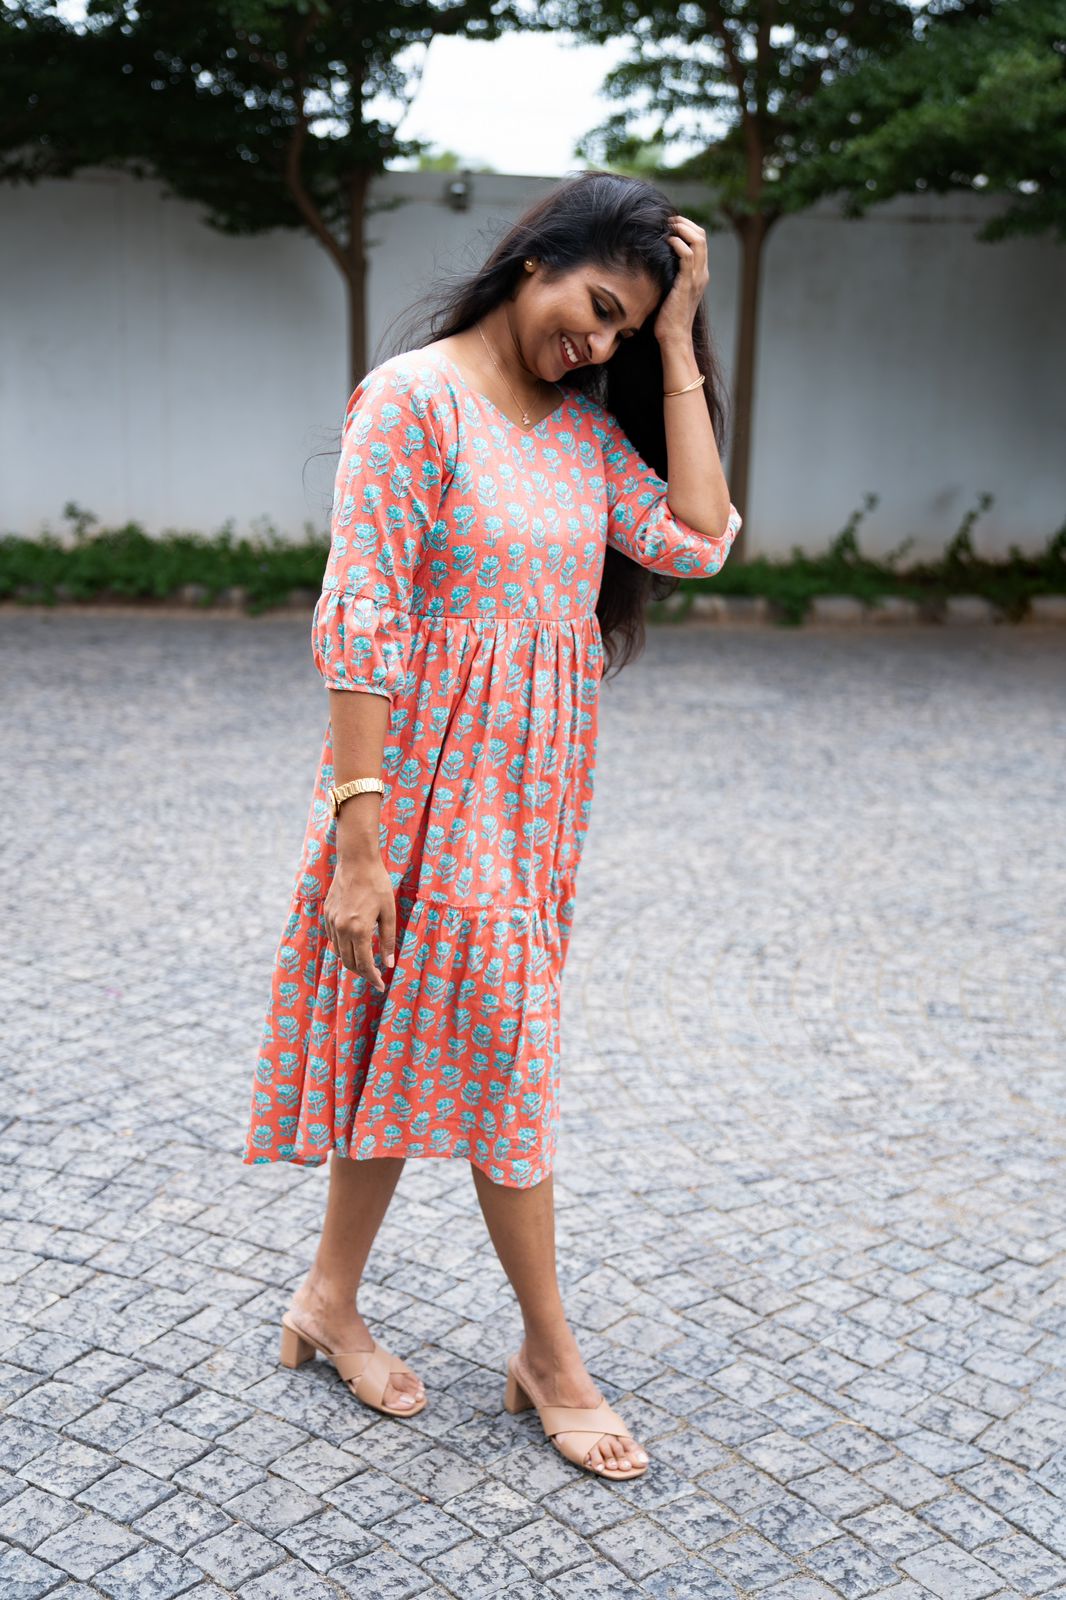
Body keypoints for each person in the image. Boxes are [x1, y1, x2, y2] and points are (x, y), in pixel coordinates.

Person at [242, 170, 742, 1480]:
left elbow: (696, 540)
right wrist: (360, 847)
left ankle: (325, 1298)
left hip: (535, 802)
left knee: (412, 1044)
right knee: (506, 1051)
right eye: (594, 307)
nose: (599, 342)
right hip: (420, 793)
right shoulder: (413, 402)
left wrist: (679, 341)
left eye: (624, 329)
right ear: (533, 261)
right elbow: (360, 623)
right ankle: (551, 1355)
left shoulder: (581, 431)